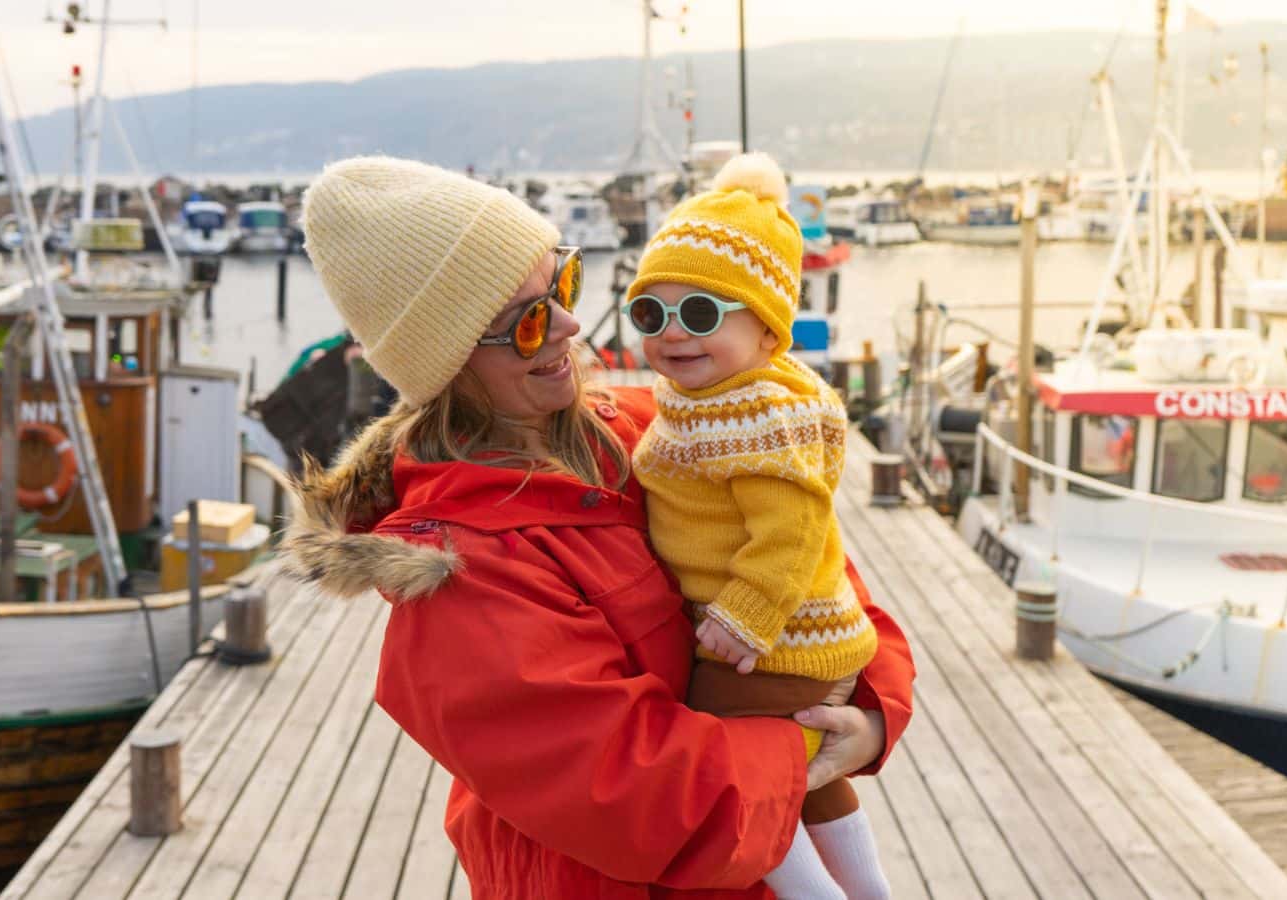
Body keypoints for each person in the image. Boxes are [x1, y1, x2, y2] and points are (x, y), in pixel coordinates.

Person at [277, 155, 915, 899]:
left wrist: (871, 712)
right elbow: (644, 799)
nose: (573, 326)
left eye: (563, 284)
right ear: (446, 359)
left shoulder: (650, 430)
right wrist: (811, 741)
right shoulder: (456, 575)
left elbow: (819, 576)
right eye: (527, 323)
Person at [625, 153, 887, 899]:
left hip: (772, 642)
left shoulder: (759, 412)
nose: (673, 334)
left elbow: (795, 528)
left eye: (701, 313)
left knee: (731, 774)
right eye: (651, 313)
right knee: (813, 779)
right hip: (791, 636)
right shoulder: (707, 399)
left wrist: (747, 613)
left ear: (769, 331)